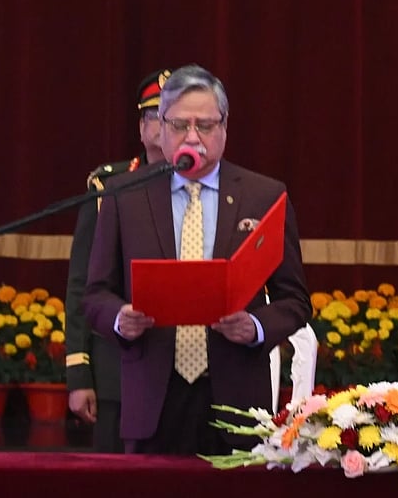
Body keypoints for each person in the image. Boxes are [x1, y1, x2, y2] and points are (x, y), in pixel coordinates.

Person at [83, 64, 312, 454]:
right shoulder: (125, 195)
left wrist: (256, 326)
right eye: (179, 125)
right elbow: (95, 296)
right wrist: (122, 318)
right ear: (161, 128)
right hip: (153, 399)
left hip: (235, 400)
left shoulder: (264, 195)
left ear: (224, 127)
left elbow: (295, 300)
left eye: (205, 125)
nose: (193, 137)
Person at [65, 68, 171, 453]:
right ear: (141, 129)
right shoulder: (108, 187)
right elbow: (83, 283)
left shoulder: (206, 189)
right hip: (117, 370)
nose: (162, 127)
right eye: (153, 116)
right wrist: (79, 373)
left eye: (171, 117)